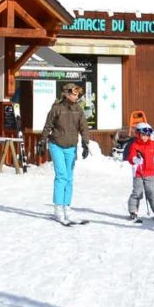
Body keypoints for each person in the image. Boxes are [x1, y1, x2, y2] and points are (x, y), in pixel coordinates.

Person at [42, 82, 88, 225]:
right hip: (56, 144)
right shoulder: (57, 108)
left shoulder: (78, 110)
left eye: (77, 93)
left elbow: (84, 127)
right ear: (67, 93)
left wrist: (85, 143)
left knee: (69, 177)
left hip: (71, 147)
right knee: (61, 175)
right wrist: (42, 142)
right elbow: (48, 125)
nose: (76, 96)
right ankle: (58, 209)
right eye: (74, 93)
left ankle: (67, 207)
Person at [126, 121, 154, 222]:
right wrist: (135, 160)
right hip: (139, 173)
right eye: (143, 135)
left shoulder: (152, 144)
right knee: (137, 192)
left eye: (147, 135)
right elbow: (130, 158)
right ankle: (133, 211)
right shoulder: (134, 145)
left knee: (152, 192)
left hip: (150, 173)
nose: (145, 137)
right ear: (138, 134)